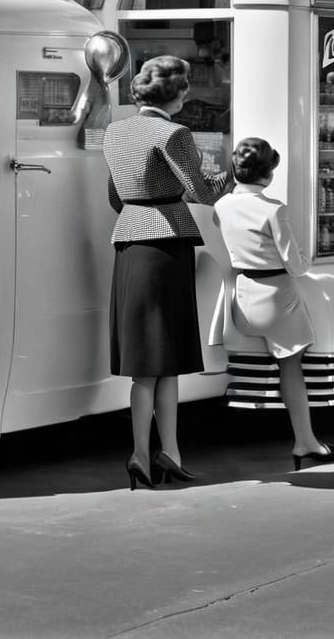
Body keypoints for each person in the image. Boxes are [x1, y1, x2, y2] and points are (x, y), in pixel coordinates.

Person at [102, 55, 229, 489]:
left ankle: (145, 454)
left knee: (146, 363)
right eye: (186, 86)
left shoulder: (115, 131)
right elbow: (198, 190)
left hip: (129, 242)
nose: (188, 93)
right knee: (167, 356)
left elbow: (116, 197)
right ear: (174, 93)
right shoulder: (175, 132)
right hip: (167, 244)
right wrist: (227, 177)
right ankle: (168, 450)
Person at [212, 137, 334, 471]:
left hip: (242, 299)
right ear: (269, 174)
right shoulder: (274, 209)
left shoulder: (222, 205)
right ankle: (305, 441)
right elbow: (297, 266)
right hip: (277, 299)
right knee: (291, 366)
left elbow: (221, 226)